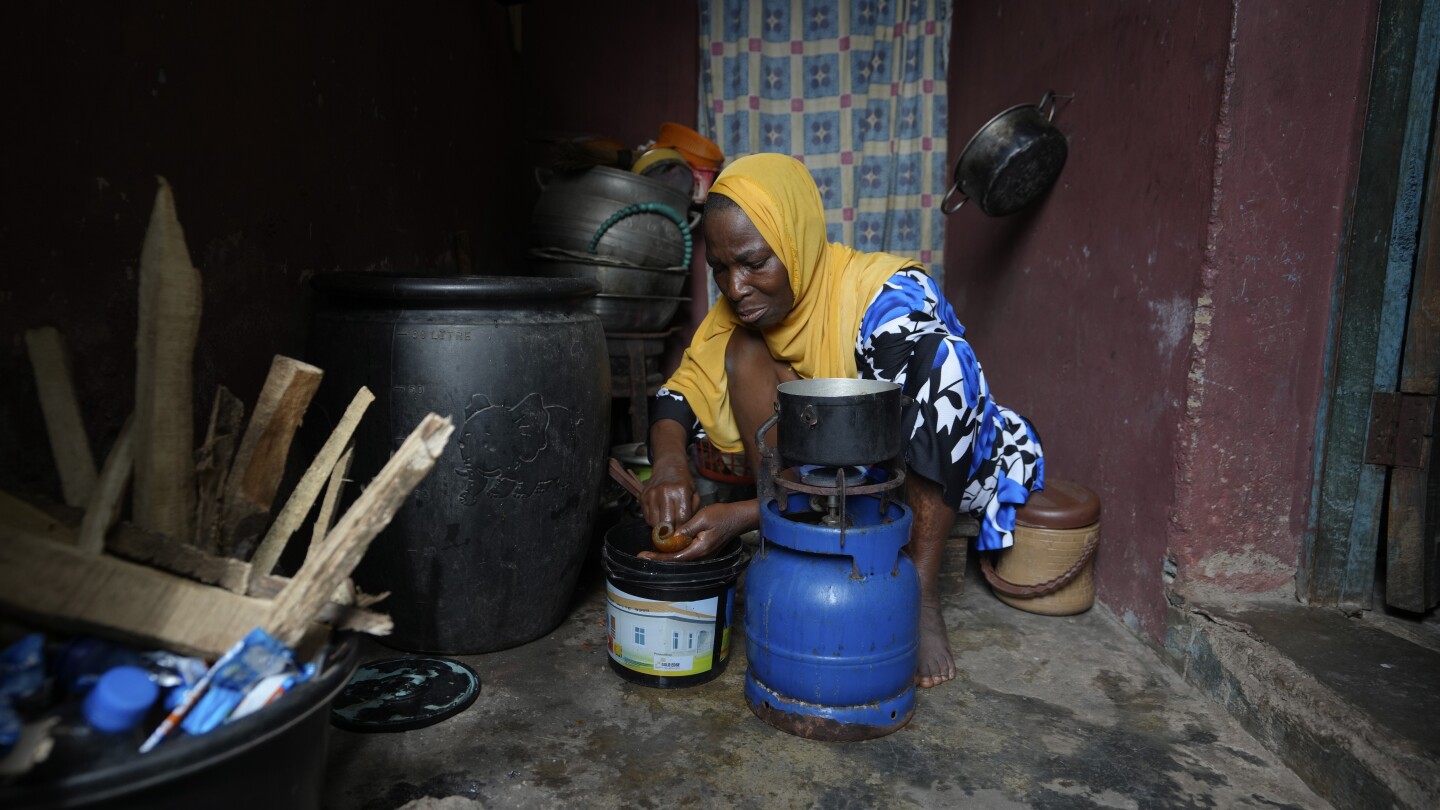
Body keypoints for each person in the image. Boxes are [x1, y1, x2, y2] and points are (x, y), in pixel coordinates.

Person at [639, 153, 1044, 688]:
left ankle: (919, 590)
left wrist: (738, 516)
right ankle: (784, 528)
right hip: (822, 480)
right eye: (719, 267)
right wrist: (668, 467)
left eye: (755, 262)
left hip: (924, 468)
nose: (734, 287)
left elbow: (942, 393)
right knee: (742, 350)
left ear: (796, 244)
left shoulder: (880, 295)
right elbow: (678, 396)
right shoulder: (737, 315)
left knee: (944, 364)